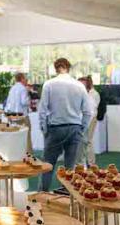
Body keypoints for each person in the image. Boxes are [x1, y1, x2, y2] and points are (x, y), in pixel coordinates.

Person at [38, 58, 92, 191]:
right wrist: (81, 129)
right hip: (74, 128)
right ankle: (67, 198)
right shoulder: (79, 85)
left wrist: (44, 130)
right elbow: (87, 112)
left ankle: (41, 196)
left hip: (55, 128)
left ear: (55, 69)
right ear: (69, 68)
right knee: (70, 168)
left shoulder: (49, 84)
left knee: (47, 166)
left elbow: (42, 110)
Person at [4, 72, 32, 151]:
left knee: (15, 137)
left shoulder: (12, 88)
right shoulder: (23, 88)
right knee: (26, 137)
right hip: (22, 116)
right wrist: (29, 98)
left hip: (12, 115)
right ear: (22, 79)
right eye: (25, 78)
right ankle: (28, 156)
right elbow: (24, 102)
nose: (26, 80)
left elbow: (8, 102)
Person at [78, 76, 101, 166]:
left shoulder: (93, 94)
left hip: (90, 119)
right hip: (82, 119)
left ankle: (91, 163)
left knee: (88, 141)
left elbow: (91, 109)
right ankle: (83, 162)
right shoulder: (82, 93)